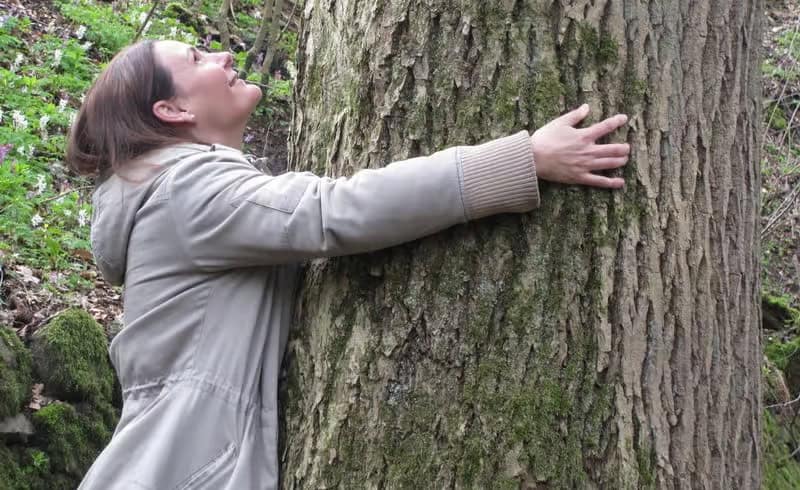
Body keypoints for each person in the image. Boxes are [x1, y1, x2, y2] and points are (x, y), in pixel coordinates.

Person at [67, 40, 630, 489]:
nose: (224, 56)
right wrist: (521, 159)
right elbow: (334, 210)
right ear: (173, 109)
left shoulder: (171, 194)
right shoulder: (184, 193)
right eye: (196, 58)